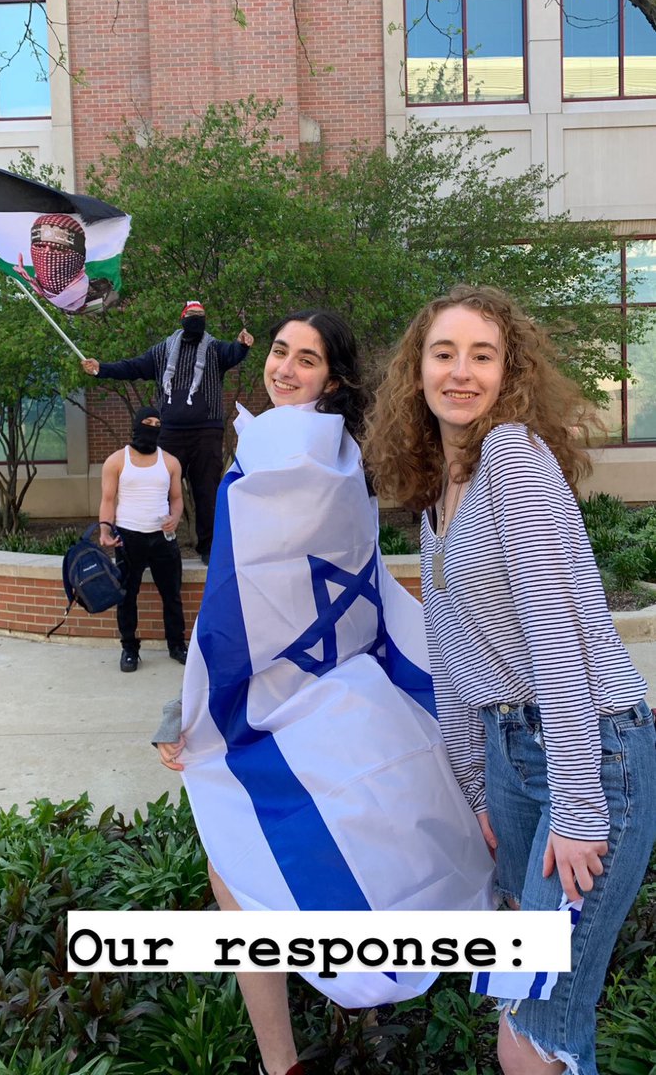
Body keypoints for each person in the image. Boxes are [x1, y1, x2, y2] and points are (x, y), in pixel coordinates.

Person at [154, 309, 495, 1075]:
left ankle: (295, 1054)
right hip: (340, 690)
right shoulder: (337, 456)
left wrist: (199, 716)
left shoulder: (286, 462)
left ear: (331, 379)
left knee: (245, 862)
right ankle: (368, 1017)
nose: (284, 368)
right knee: (335, 850)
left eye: (305, 360)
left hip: (301, 703)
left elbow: (242, 608)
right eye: (278, 352)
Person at [363, 284, 656, 1075]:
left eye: (481, 356)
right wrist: (474, 789)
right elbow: (453, 657)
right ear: (415, 371)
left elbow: (555, 641)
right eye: (443, 353)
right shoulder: (435, 497)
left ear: (508, 372)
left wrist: (580, 805)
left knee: (532, 1035)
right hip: (515, 765)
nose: (461, 373)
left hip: (590, 757)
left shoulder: (511, 460)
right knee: (528, 1008)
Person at [82, 302, 254, 562]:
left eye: (201, 316)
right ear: (182, 319)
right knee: (158, 490)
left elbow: (233, 353)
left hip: (206, 431)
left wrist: (242, 345)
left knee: (206, 491)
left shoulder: (215, 349)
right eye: (192, 316)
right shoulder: (163, 351)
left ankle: (208, 548)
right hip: (170, 432)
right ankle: (155, 544)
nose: (196, 320)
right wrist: (101, 369)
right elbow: (134, 367)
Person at [99, 404, 187, 673]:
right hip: (128, 537)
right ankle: (129, 649)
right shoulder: (116, 461)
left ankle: (176, 644)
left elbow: (177, 498)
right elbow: (108, 499)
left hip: (163, 537)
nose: (152, 427)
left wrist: (176, 516)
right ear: (136, 425)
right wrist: (105, 530)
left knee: (171, 594)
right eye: (147, 422)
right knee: (127, 596)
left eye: (156, 424)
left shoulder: (170, 462)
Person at [14, 212, 118, 313]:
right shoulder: (52, 297)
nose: (46, 253)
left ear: (76, 255)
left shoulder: (104, 283)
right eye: (40, 247)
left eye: (56, 248)